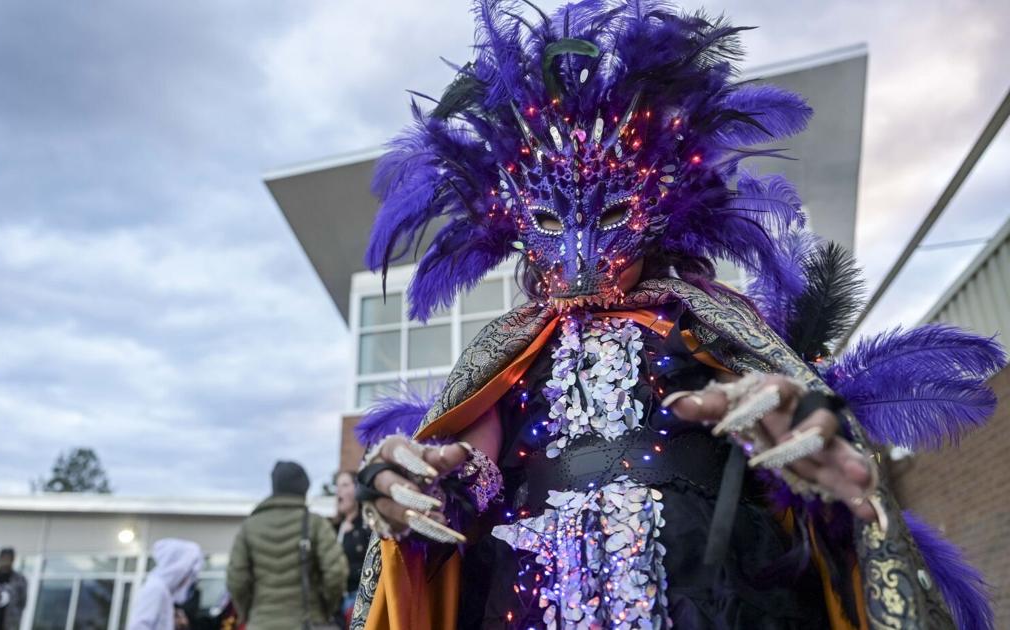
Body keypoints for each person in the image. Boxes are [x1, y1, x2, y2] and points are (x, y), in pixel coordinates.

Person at [348, 1, 1006, 628]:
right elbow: (469, 465)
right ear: (521, 226)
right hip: (540, 593)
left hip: (711, 586)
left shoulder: (704, 321)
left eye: (610, 214)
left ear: (655, 210)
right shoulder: (513, 348)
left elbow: (771, 417)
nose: (580, 254)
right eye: (550, 222)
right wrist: (423, 481)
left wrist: (791, 428)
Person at [227, 461, 347, 630]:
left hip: (261, 622)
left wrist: (248, 613)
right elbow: (336, 573)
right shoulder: (316, 524)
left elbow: (236, 580)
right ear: (304, 489)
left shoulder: (249, 527)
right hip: (306, 621)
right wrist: (325, 609)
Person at [126, 539, 203, 630]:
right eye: (188, 574)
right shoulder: (156, 589)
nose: (187, 580)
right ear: (178, 569)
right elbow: (138, 626)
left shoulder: (164, 591)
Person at [331, 471, 369, 625]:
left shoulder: (366, 526)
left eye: (345, 485)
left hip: (358, 599)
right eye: (337, 486)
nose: (339, 491)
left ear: (357, 489)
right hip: (337, 603)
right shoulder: (334, 528)